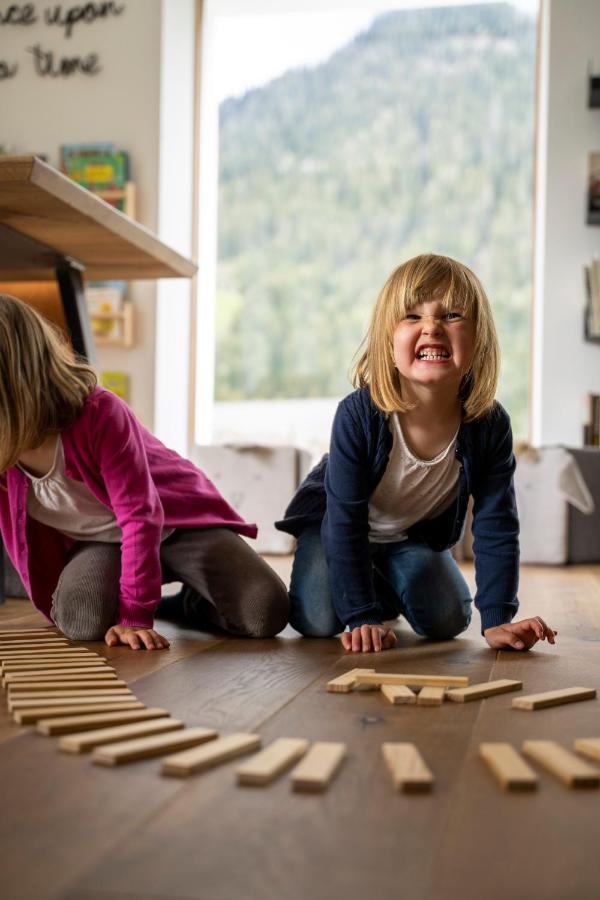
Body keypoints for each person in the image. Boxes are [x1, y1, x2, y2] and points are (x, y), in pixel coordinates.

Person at [276, 253, 557, 653]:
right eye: (412, 317)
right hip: (335, 525)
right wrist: (361, 615)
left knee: (448, 619)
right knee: (319, 619)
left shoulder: (489, 425)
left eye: (452, 315)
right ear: (388, 344)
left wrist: (497, 618)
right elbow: (345, 522)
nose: (431, 328)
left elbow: (497, 523)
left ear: (478, 340)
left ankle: (378, 583)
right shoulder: (359, 415)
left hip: (406, 534)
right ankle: (366, 592)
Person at [0, 294, 289, 650]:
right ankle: (164, 598)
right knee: (80, 619)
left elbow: (142, 516)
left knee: (265, 612)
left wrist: (136, 615)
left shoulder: (99, 413)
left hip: (176, 522)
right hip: (102, 541)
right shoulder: (5, 450)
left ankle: (192, 602)